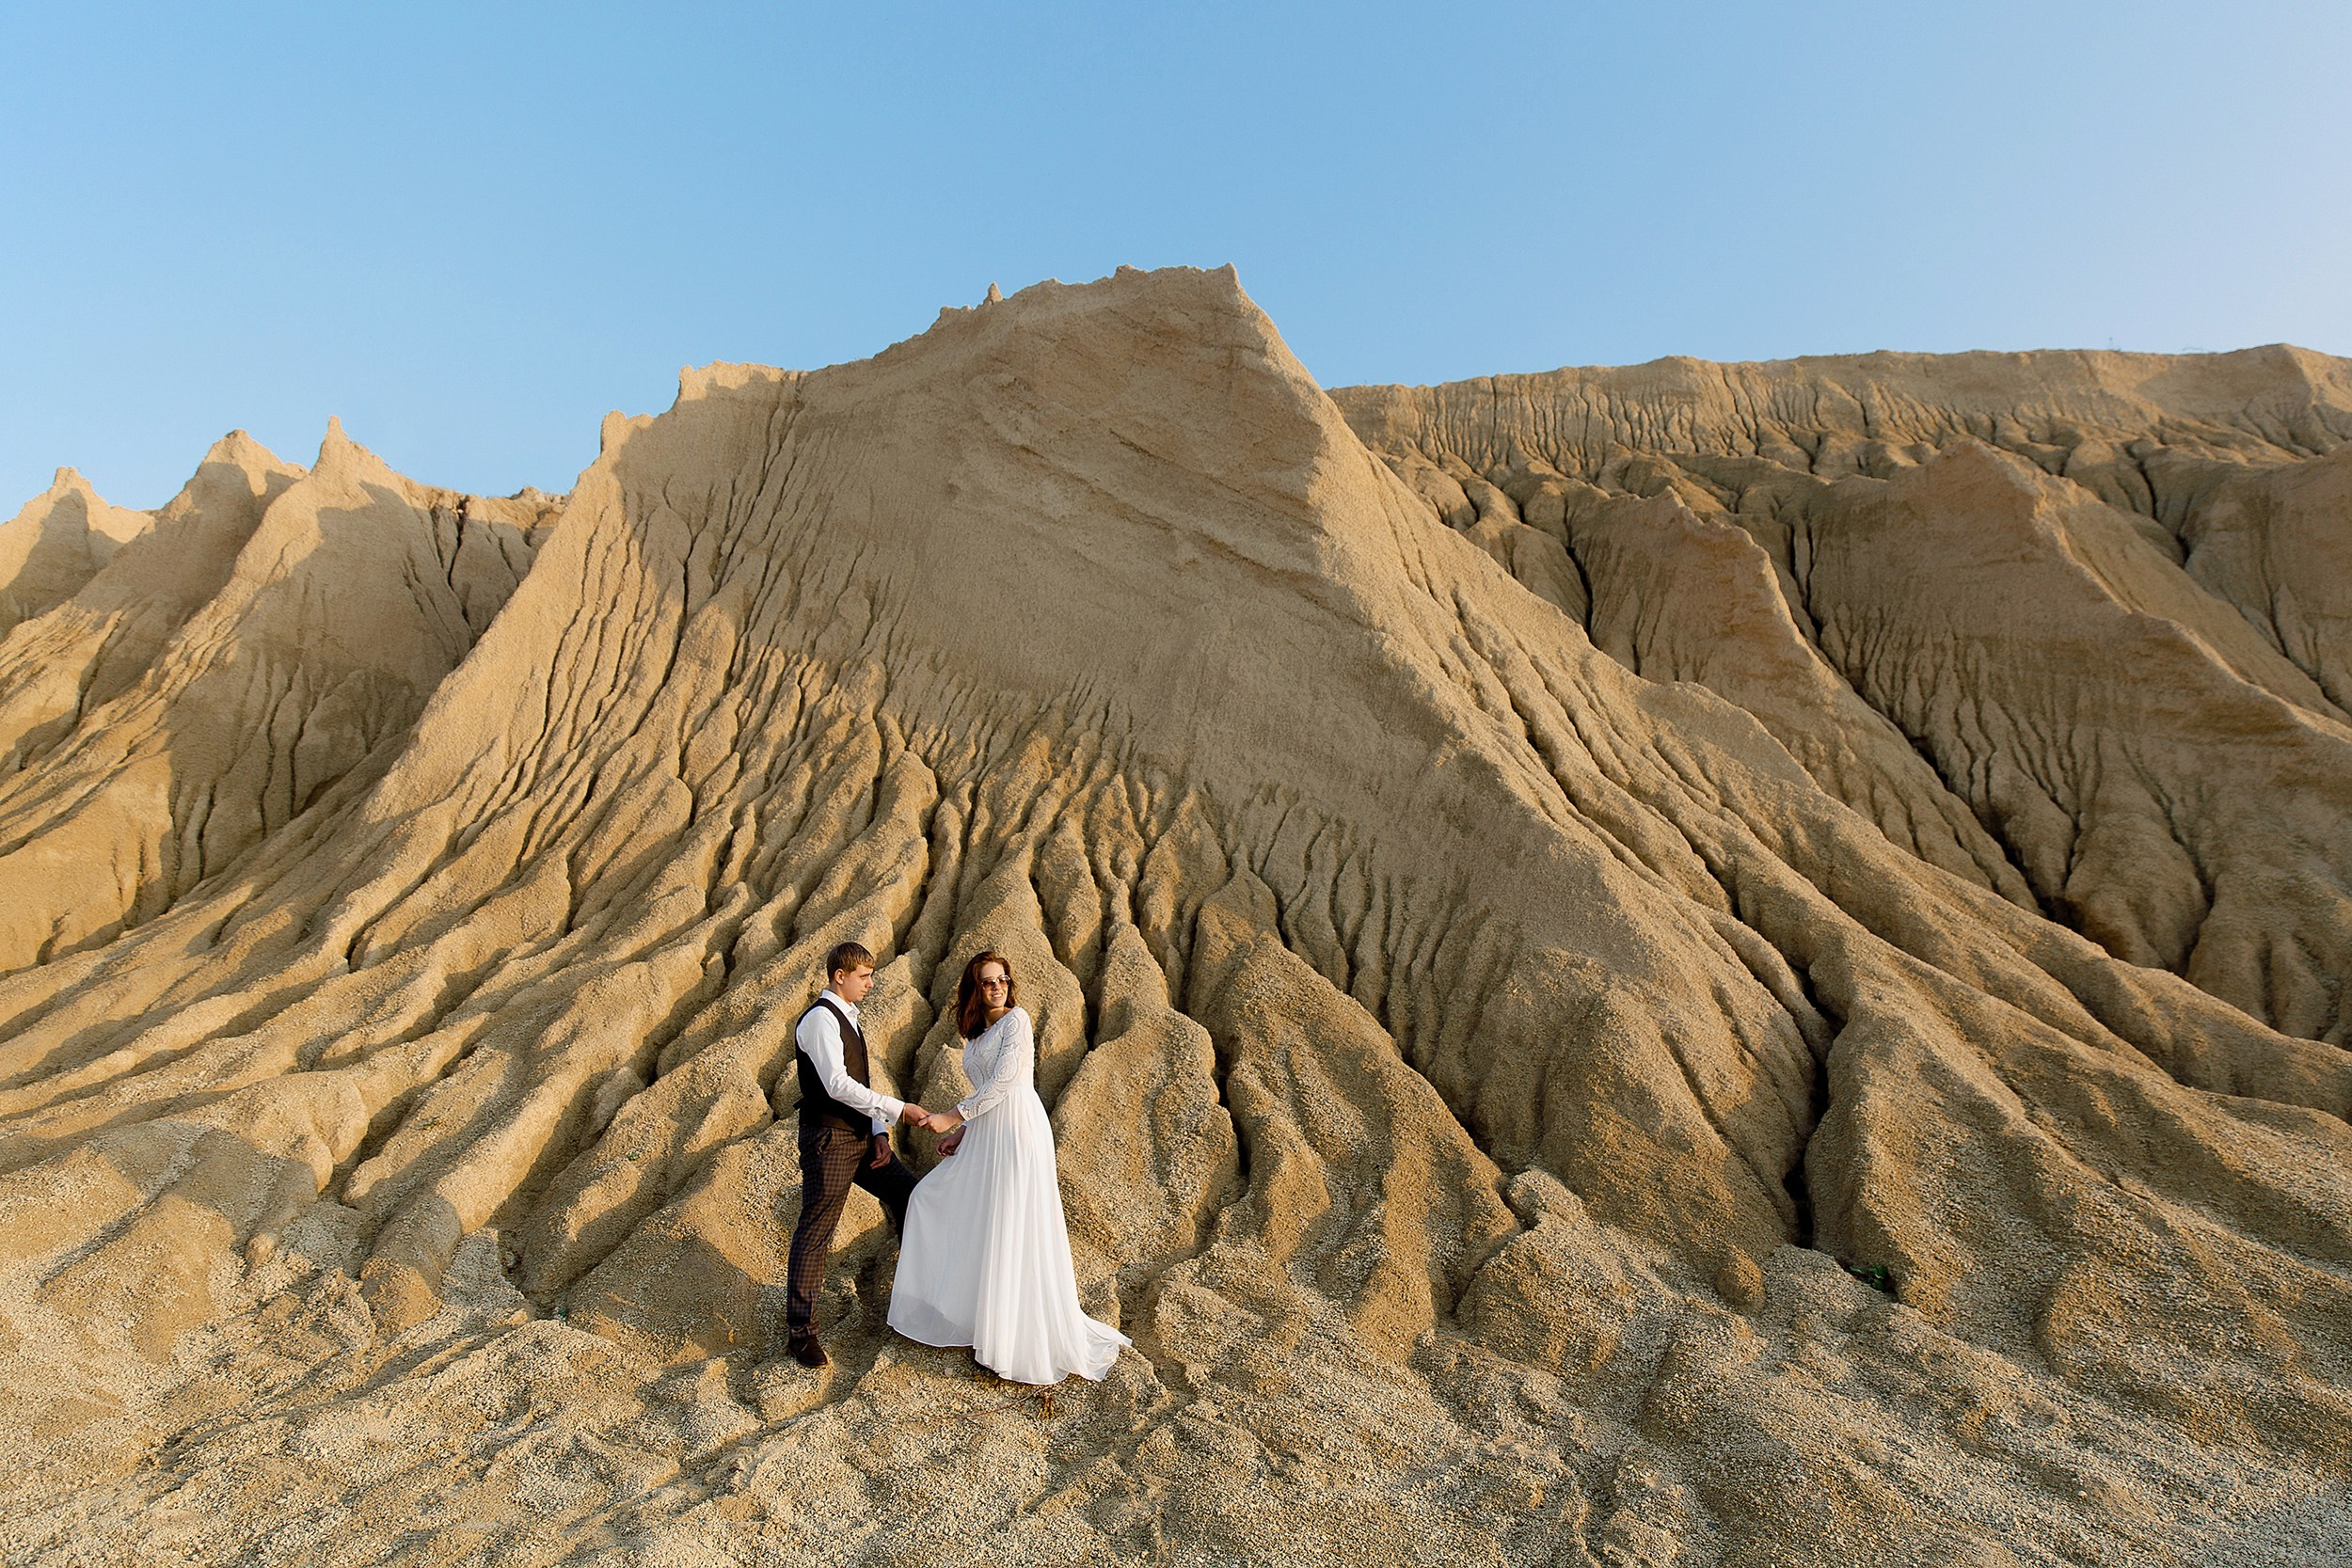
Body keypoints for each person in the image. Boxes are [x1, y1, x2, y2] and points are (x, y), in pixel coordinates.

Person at [887, 951, 1130, 1384]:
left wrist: (952, 1117)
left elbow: (1005, 1083)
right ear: (974, 989)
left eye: (1001, 980)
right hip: (987, 1130)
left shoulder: (1017, 1021)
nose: (996, 987)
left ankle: (1007, 1341)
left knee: (1010, 1224)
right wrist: (963, 1134)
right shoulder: (977, 1036)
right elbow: (987, 1088)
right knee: (939, 1203)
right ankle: (977, 1320)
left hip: (1017, 1129)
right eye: (987, 981)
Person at [783, 941, 931, 1369]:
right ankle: (800, 1333)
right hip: (828, 1141)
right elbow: (836, 1086)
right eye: (864, 976)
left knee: (910, 1195)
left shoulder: (849, 1017)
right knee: (817, 1230)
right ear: (839, 976)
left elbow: (860, 1080)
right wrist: (898, 1109)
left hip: (861, 1139)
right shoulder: (818, 1021)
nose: (870, 983)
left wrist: (878, 1130)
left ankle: (912, 1298)